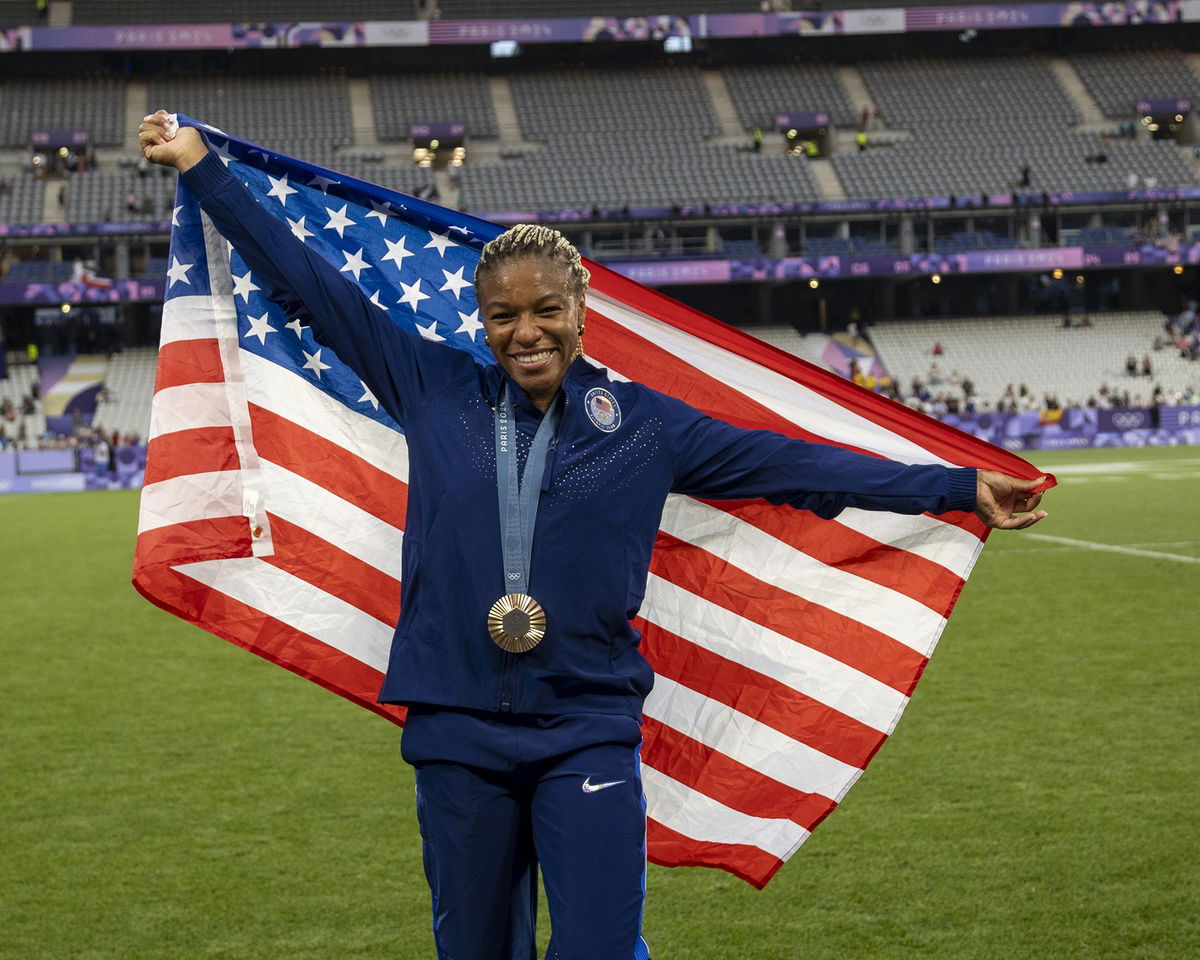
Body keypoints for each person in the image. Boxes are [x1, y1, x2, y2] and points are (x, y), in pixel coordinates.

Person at [140, 111, 1048, 960]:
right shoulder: (433, 386)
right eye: (503, 315)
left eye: (546, 310)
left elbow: (796, 465)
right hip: (457, 727)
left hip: (586, 727)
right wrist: (202, 168)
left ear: (581, 311)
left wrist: (958, 486)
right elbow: (310, 284)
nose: (525, 331)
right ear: (481, 319)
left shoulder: (645, 427)